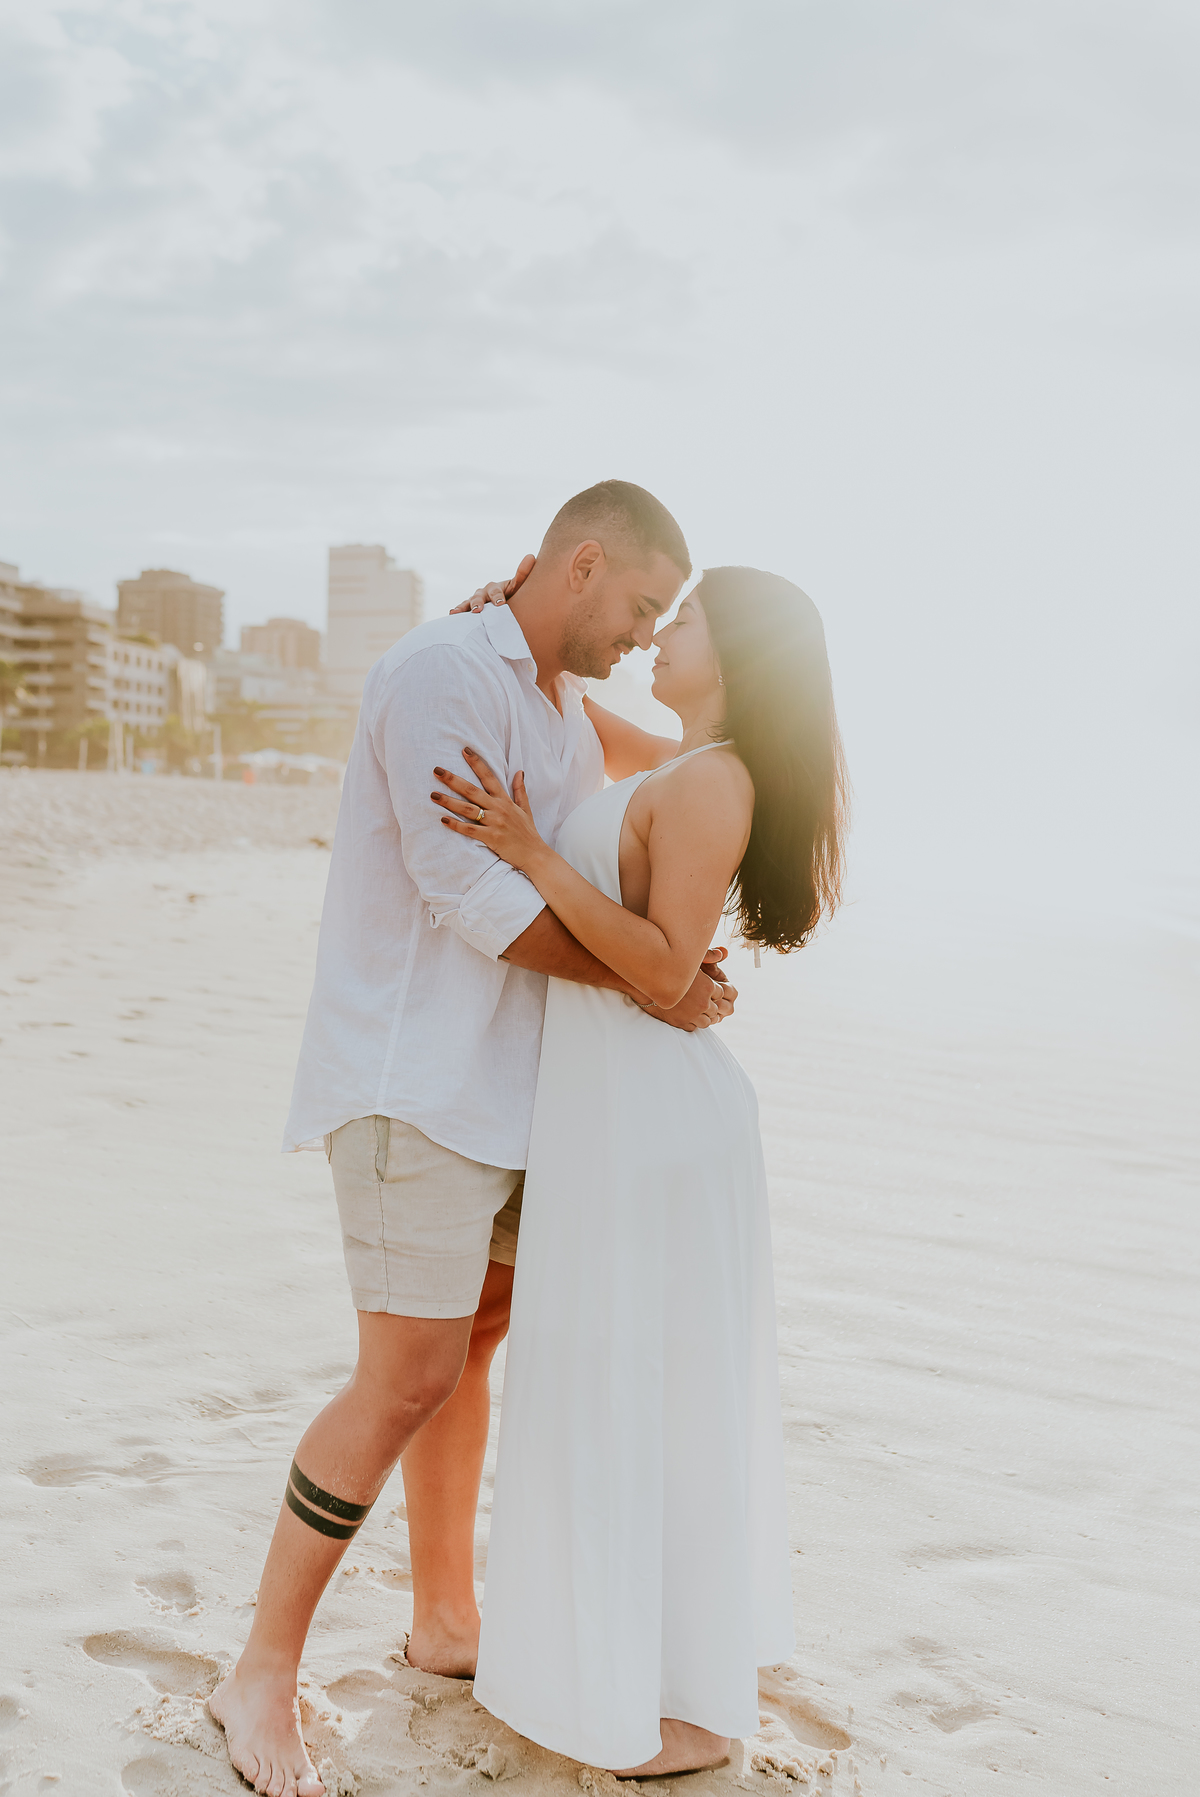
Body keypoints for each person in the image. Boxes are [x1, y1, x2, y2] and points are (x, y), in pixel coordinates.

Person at [207, 480, 739, 1797]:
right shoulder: (443, 669)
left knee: (472, 1349)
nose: (643, 632)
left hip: (518, 1094)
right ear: (583, 564)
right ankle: (260, 1669)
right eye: (639, 606)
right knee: (402, 1373)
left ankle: (445, 1621)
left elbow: (664, 766)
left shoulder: (558, 701)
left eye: (668, 619)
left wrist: (671, 944)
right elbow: (468, 897)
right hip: (415, 1086)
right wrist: (656, 981)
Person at [432, 565, 847, 1775]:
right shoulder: (671, 757)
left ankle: (689, 1704)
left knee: (650, 1403)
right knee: (602, 1388)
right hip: (609, 1116)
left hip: (659, 1129)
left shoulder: (715, 780)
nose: (660, 638)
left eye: (687, 624)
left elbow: (667, 973)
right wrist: (498, 628)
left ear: (739, 658)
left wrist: (529, 852)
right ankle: (613, 1666)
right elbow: (559, 698)